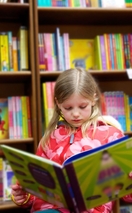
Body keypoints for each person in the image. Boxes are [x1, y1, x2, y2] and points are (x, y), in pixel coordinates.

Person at [11, 67, 132, 213]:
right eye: (68, 108)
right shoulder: (49, 138)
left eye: (82, 106)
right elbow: (37, 189)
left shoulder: (111, 135)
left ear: (93, 99)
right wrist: (24, 196)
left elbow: (127, 195)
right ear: (58, 104)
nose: (75, 114)